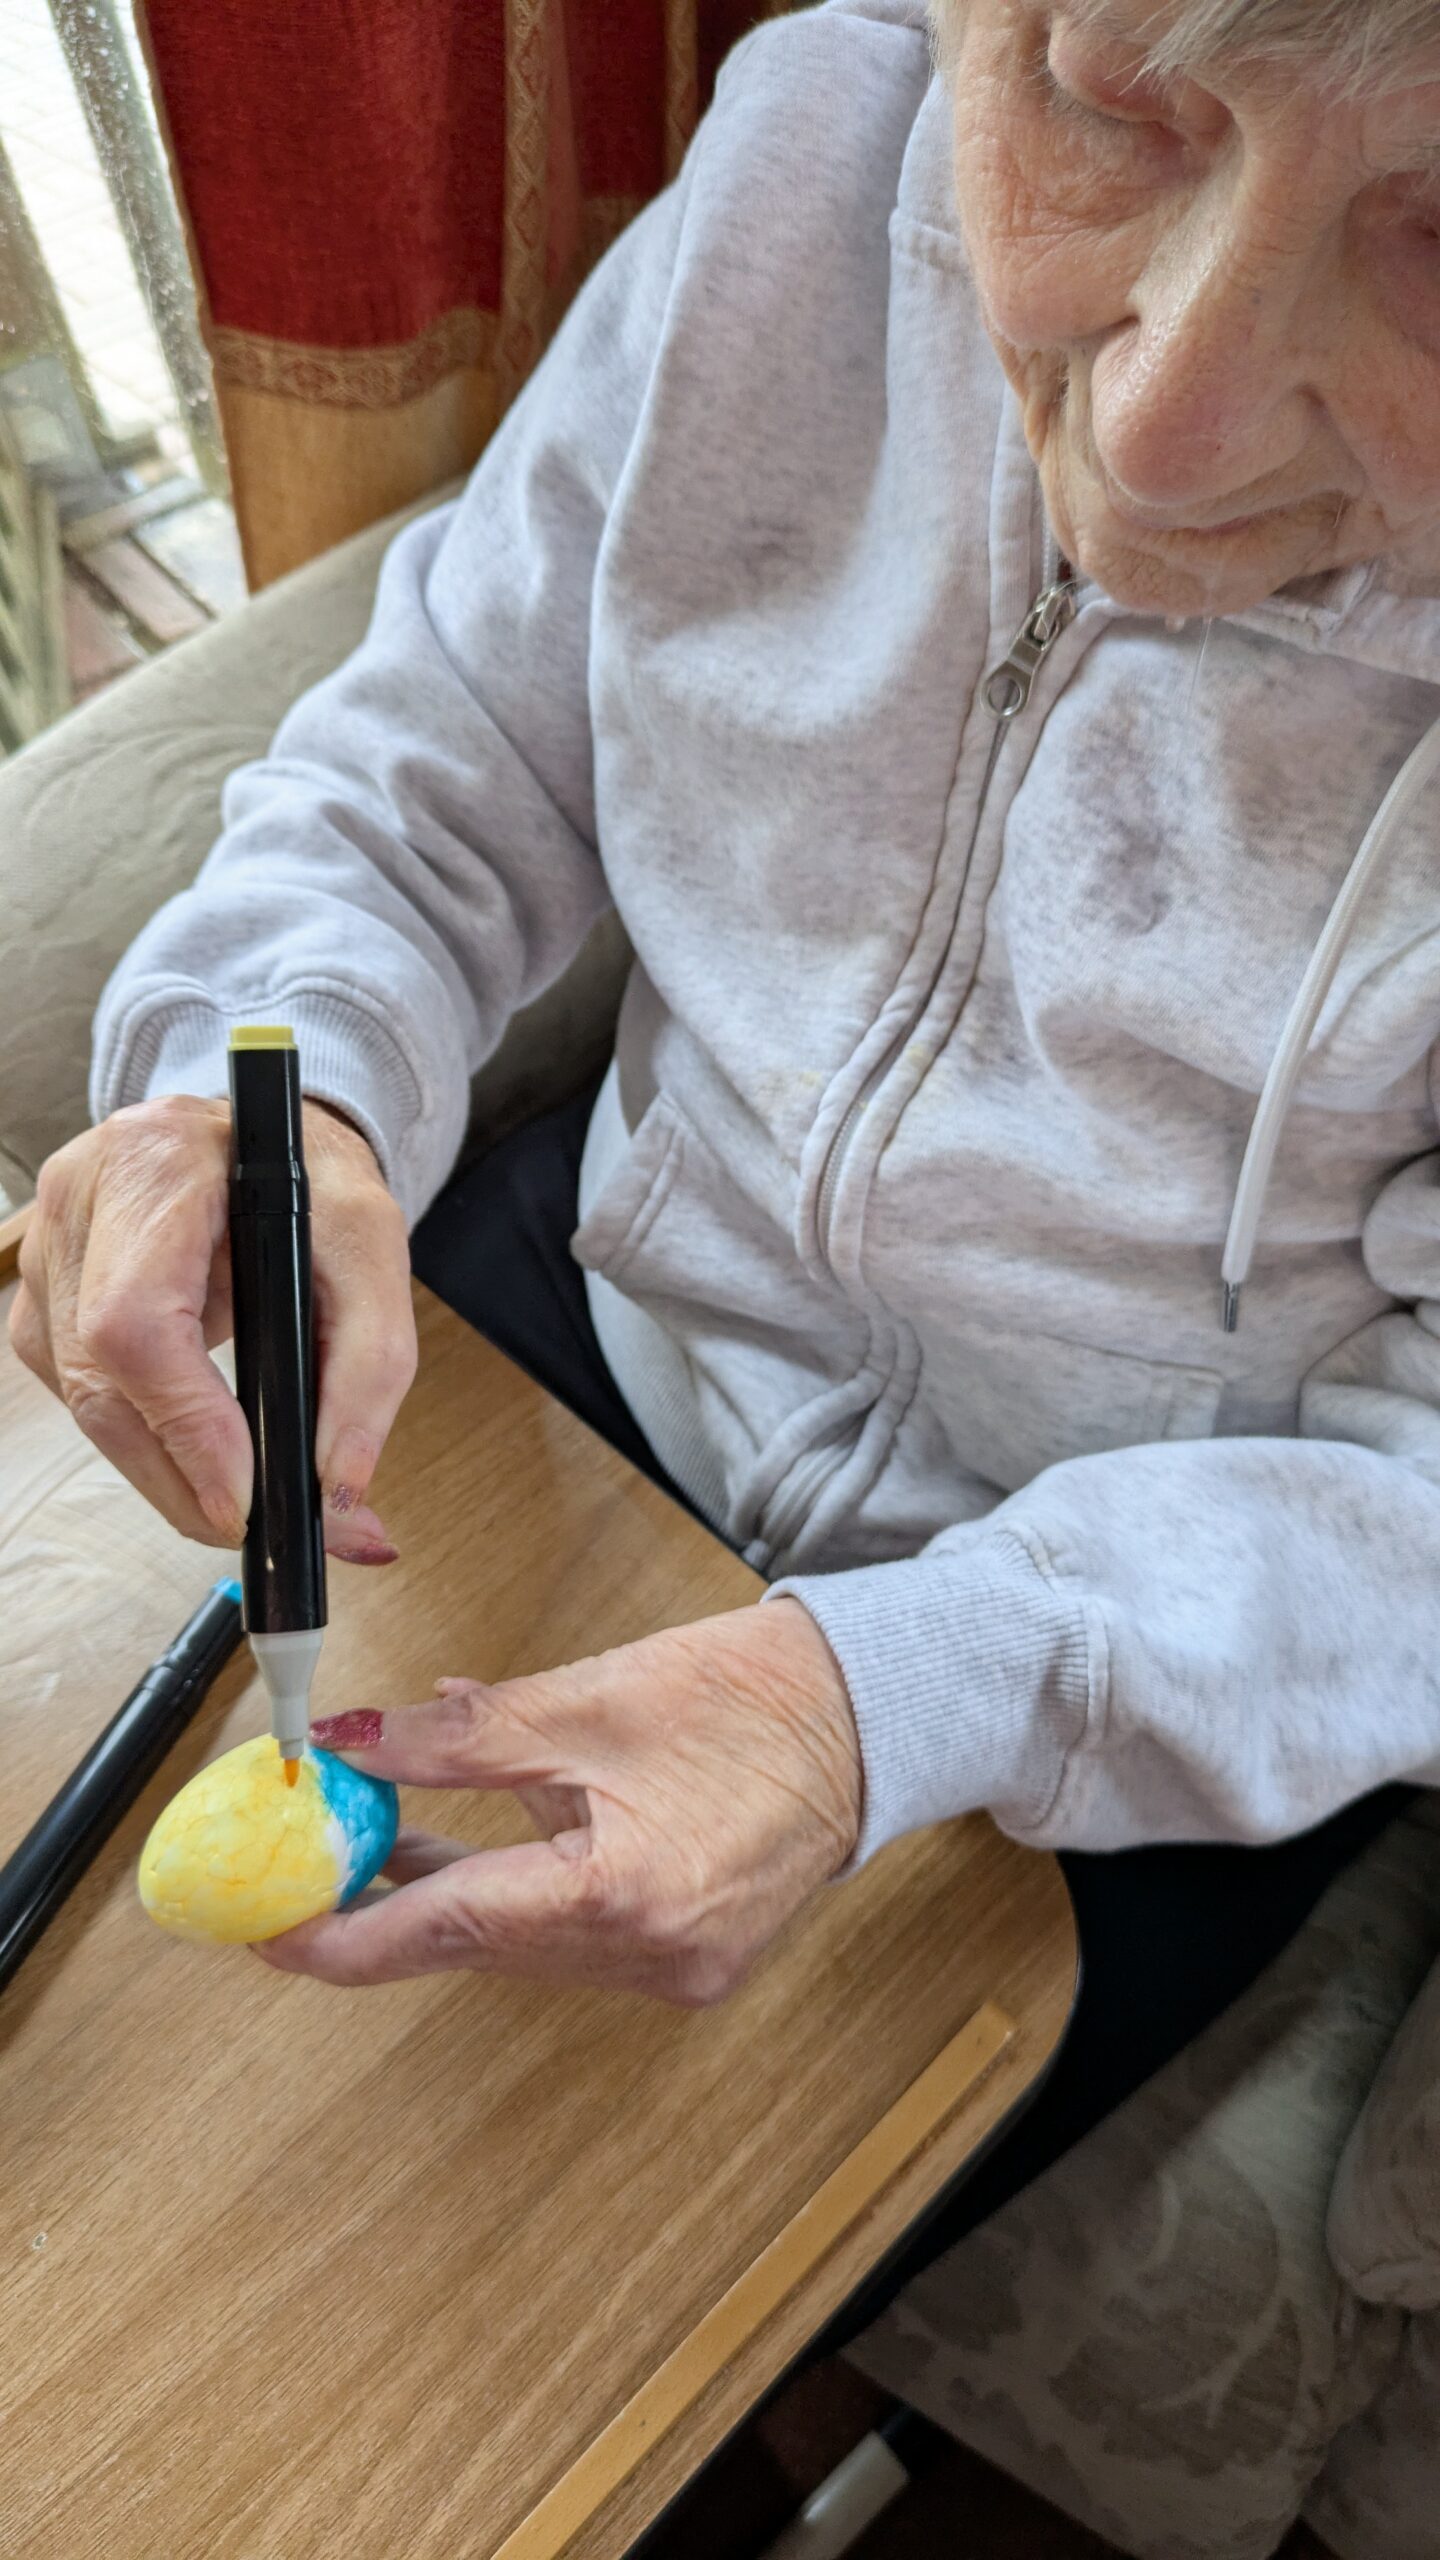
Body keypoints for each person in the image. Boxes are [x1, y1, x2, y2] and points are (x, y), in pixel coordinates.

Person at [12, 0, 1440, 2242]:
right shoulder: (809, 150)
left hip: (1124, 1684)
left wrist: (903, 1693)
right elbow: (438, 761)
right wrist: (251, 1078)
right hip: (569, 1324)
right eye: (1110, 102)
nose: (1162, 434)